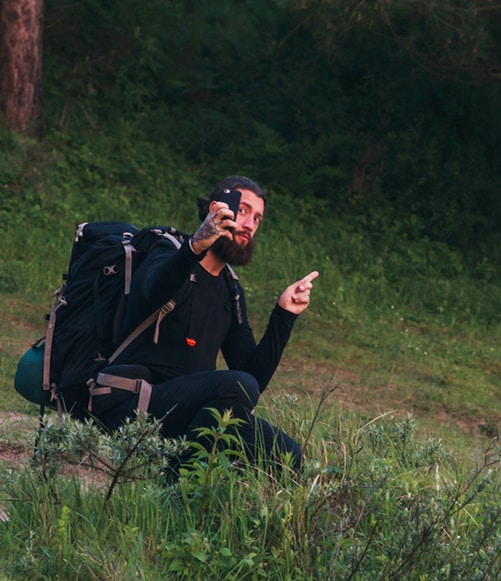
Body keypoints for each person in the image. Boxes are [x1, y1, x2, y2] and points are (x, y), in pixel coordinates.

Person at [66, 175, 318, 480]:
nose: (250, 224)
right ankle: (174, 491)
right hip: (127, 400)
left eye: (258, 218)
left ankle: (212, 505)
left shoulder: (230, 289)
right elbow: (154, 288)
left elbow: (252, 379)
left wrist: (284, 315)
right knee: (236, 386)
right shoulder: (169, 250)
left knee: (287, 455)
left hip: (184, 410)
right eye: (243, 210)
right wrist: (194, 247)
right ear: (216, 208)